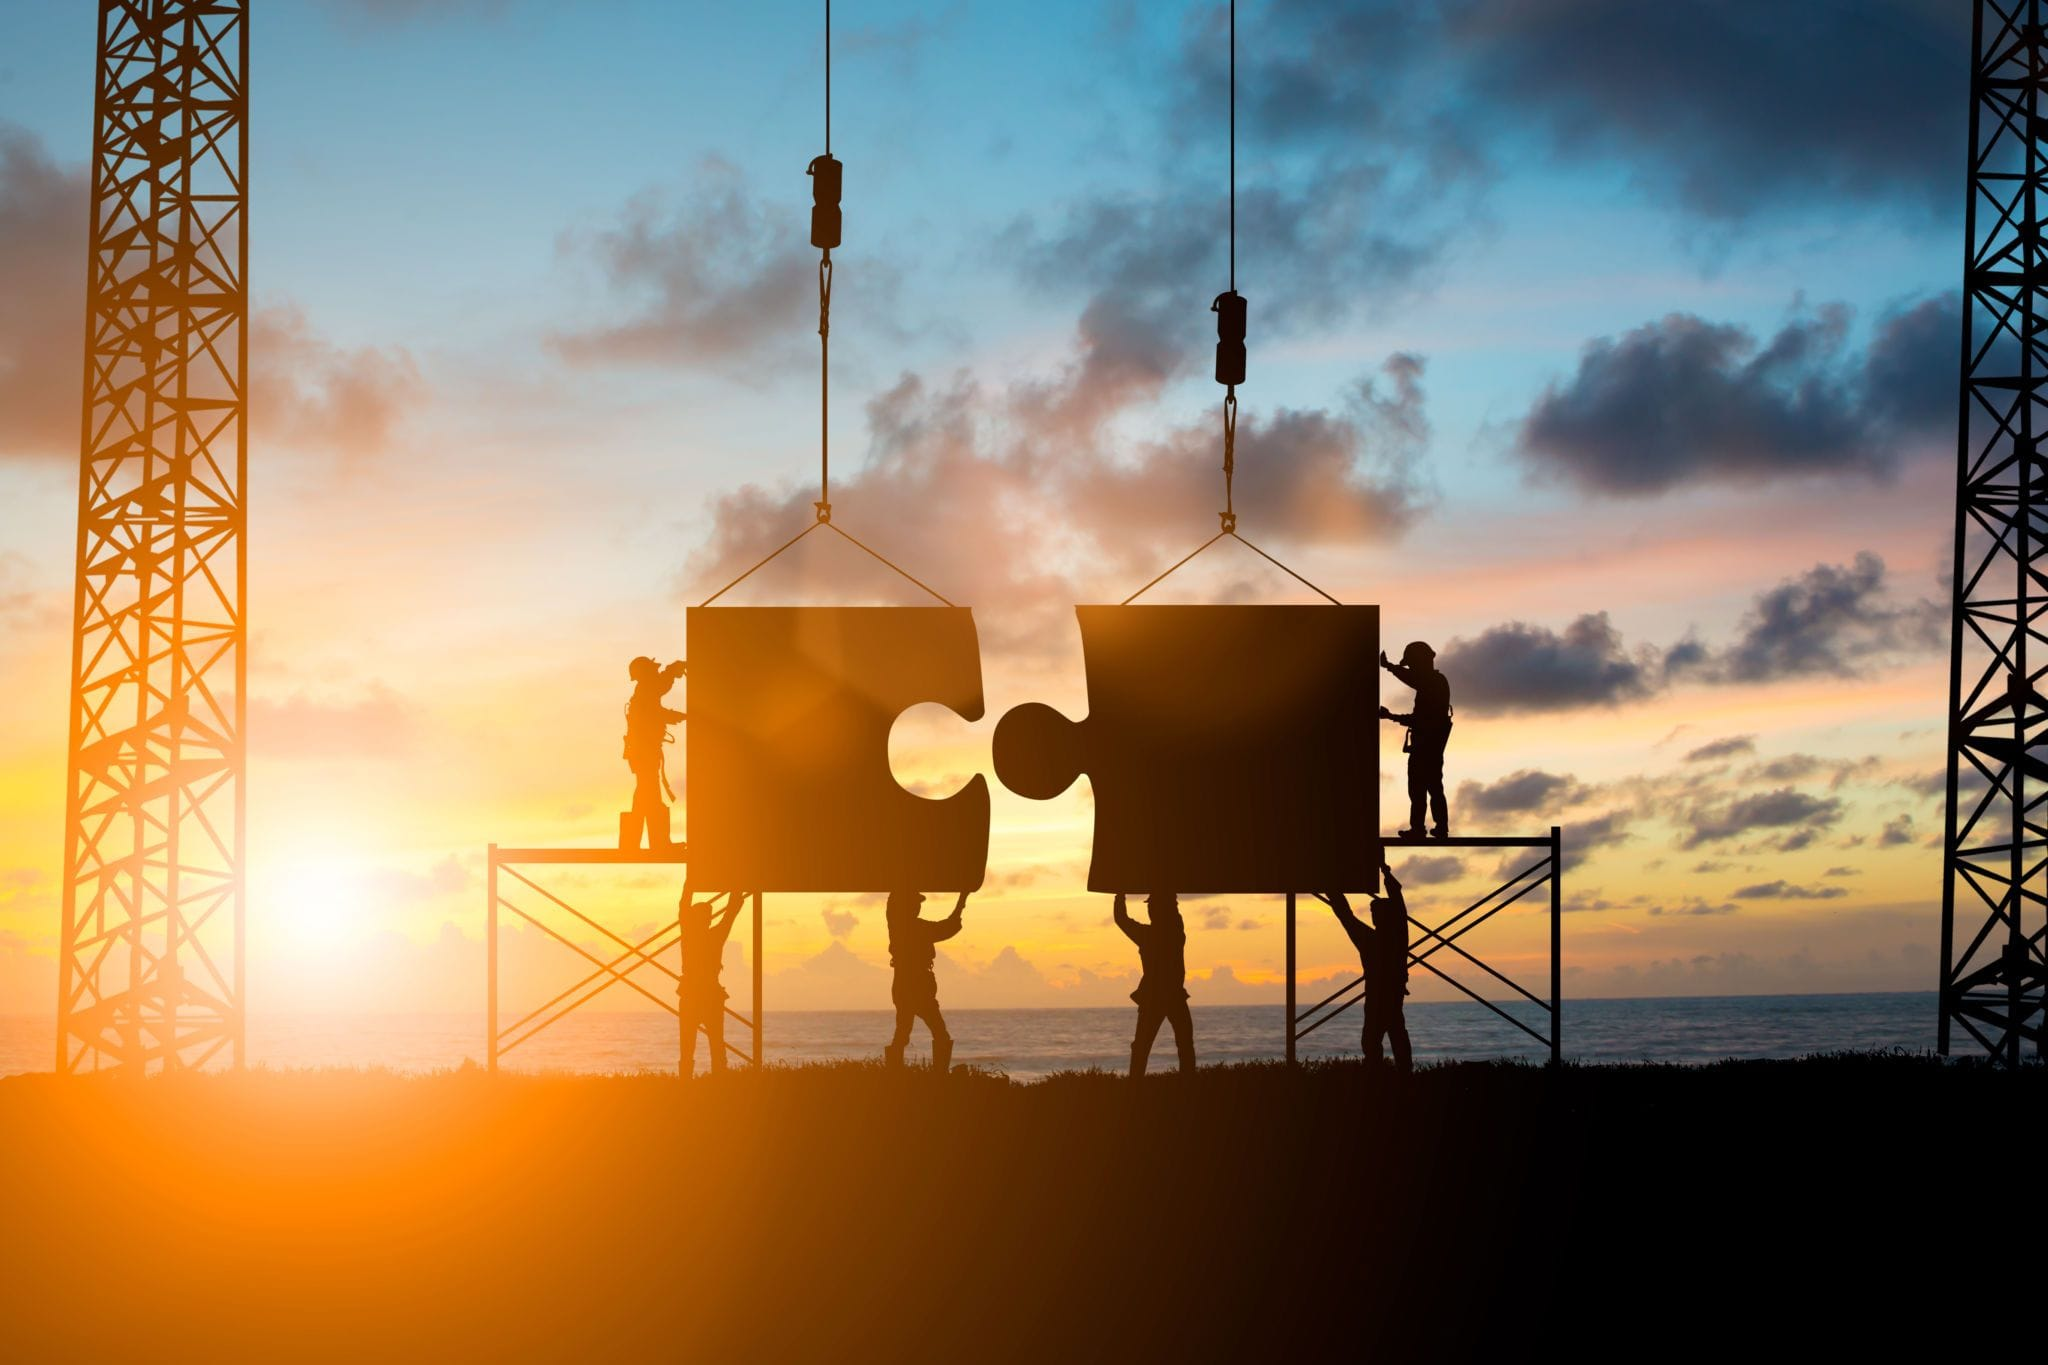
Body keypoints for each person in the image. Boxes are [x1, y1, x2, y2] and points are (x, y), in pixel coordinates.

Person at [1326, 862, 1412, 1073]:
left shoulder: (1372, 940)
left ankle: (1379, 1074)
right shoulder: (1398, 938)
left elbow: (1345, 915)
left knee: (1374, 1040)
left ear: (1381, 918)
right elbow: (1399, 907)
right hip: (1391, 996)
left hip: (1378, 998)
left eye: (1375, 914)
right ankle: (1403, 1074)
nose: (1373, 917)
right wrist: (1386, 875)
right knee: (1394, 1035)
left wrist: (1331, 889)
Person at [885, 890, 967, 1074]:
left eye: (918, 904)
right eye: (914, 904)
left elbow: (947, 927)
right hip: (916, 985)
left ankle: (893, 1074)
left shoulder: (897, 927)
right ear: (905, 907)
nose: (918, 907)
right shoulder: (911, 927)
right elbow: (947, 927)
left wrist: (962, 900)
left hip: (906, 984)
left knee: (903, 1033)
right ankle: (938, 1074)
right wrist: (962, 901)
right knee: (937, 1032)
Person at [1114, 892, 1195, 1078]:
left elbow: (1121, 919)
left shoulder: (1152, 935)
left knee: (1145, 1045)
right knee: (1180, 1044)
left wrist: (1120, 895)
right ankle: (1187, 1081)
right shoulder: (1176, 934)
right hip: (1169, 996)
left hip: (1158, 997)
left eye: (1152, 907)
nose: (1149, 910)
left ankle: (1136, 1083)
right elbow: (1122, 920)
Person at [1380, 640, 1453, 841]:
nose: (1411, 668)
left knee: (1428, 787)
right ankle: (1423, 828)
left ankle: (1433, 827)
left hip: (1427, 747)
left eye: (1413, 664)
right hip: (1426, 745)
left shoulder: (1433, 683)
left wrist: (1390, 668)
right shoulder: (1432, 684)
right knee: (1421, 788)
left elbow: (1415, 683)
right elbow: (1415, 681)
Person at [678, 888, 745, 1077]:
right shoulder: (714, 935)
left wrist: (690, 884)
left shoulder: (689, 936)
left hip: (693, 993)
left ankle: (687, 1083)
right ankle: (718, 1080)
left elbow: (683, 908)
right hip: (708, 994)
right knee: (715, 1044)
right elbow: (731, 911)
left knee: (689, 1045)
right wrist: (736, 885)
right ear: (707, 919)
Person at [622, 656, 686, 850]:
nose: (656, 673)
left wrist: (671, 673)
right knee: (647, 795)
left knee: (646, 796)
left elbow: (657, 701)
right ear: (645, 674)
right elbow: (659, 690)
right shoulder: (645, 691)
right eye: (653, 671)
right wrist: (671, 672)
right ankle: (653, 843)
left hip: (644, 754)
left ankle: (634, 843)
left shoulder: (644, 694)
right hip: (645, 754)